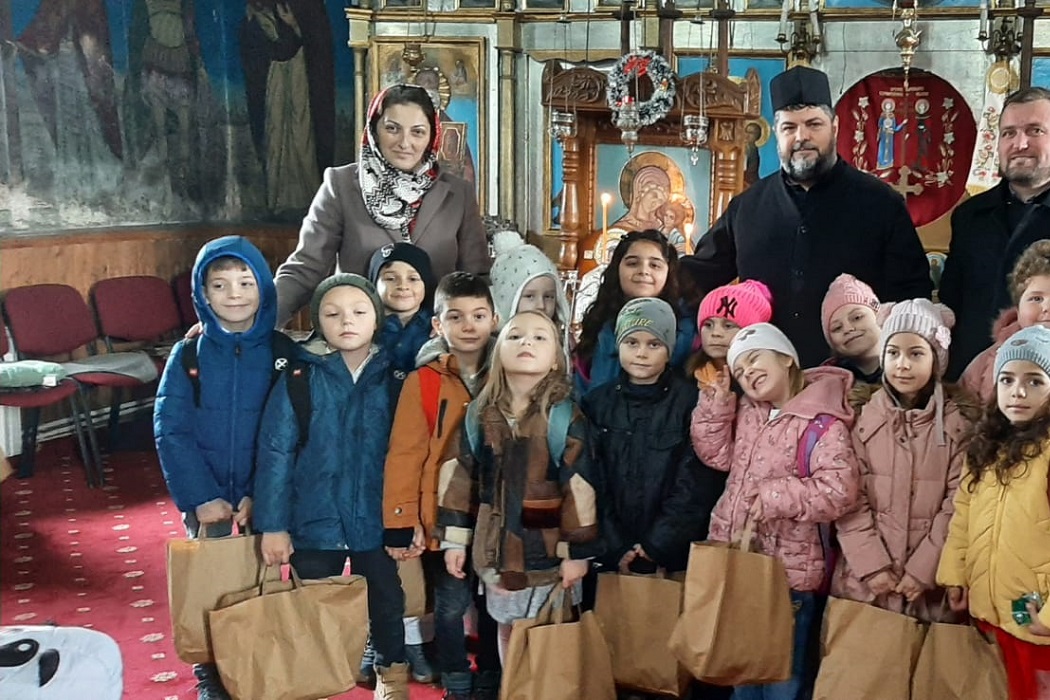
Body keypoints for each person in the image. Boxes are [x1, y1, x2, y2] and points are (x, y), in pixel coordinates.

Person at [681, 65, 932, 369]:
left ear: (835, 127)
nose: (802, 137)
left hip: (856, 379)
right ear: (776, 133)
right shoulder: (747, 207)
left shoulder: (882, 204)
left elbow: (911, 295)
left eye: (814, 124)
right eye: (789, 127)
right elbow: (700, 274)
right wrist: (646, 273)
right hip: (763, 377)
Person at [253, 274, 410, 699]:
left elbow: (410, 455)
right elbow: (276, 452)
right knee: (311, 600)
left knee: (385, 598)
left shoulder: (396, 377)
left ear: (376, 318)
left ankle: (391, 672)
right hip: (314, 516)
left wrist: (407, 519)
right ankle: (313, 678)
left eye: (359, 311)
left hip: (374, 518)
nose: (346, 321)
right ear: (317, 320)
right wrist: (273, 525)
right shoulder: (299, 376)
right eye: (333, 313)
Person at [691, 323, 860, 700]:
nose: (748, 372)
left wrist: (775, 496)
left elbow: (841, 490)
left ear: (786, 358)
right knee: (743, 674)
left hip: (788, 577)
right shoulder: (749, 412)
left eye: (755, 358)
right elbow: (716, 455)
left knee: (783, 681)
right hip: (738, 563)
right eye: (740, 370)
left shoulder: (822, 422)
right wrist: (717, 403)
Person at [437, 311, 601, 663]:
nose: (527, 341)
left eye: (540, 337)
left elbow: (580, 489)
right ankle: (512, 686)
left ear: (556, 358)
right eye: (515, 336)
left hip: (548, 553)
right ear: (498, 351)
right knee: (508, 631)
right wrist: (455, 539)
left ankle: (543, 688)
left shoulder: (564, 416)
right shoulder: (480, 413)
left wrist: (577, 553)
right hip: (496, 549)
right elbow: (459, 477)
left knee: (550, 636)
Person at [154, 235, 278, 700]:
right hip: (206, 496)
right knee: (212, 580)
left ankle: (253, 658)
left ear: (264, 287)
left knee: (261, 577)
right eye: (220, 285)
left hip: (261, 493)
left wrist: (261, 492)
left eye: (246, 282)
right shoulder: (188, 354)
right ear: (202, 294)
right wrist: (200, 497)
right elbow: (171, 430)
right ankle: (209, 668)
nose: (234, 294)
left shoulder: (283, 354)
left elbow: (288, 431)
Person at [272, 83, 491, 326]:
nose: (404, 143)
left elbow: (475, 280)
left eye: (417, 132)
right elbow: (305, 270)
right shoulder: (341, 186)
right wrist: (260, 323)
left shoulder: (458, 193)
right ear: (374, 130)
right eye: (392, 129)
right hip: (357, 336)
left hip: (435, 337)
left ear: (433, 136)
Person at [382, 272, 502, 700]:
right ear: (437, 324)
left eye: (478, 316)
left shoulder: (507, 373)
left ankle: (491, 672)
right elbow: (405, 453)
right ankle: (455, 675)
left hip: (494, 512)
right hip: (441, 515)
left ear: (495, 319)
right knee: (450, 604)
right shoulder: (425, 380)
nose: (468, 326)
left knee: (493, 601)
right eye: (456, 316)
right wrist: (403, 517)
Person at [833, 299, 977, 623]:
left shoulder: (957, 427)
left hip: (928, 591)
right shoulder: (862, 418)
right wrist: (871, 565)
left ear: (936, 360)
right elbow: (848, 498)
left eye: (916, 354)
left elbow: (958, 504)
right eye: (893, 352)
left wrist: (923, 570)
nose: (902, 364)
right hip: (863, 585)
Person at [937, 324, 1050, 700]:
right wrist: (957, 574)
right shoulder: (986, 446)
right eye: (1007, 379)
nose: (1017, 391)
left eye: (1035, 381)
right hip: (996, 614)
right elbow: (963, 516)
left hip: (1039, 622)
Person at [941, 87, 1050, 381]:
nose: (1020, 143)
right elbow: (952, 304)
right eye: (1009, 133)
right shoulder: (969, 216)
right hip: (969, 382)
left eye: (1035, 130)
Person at [574, 229, 696, 396]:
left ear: (669, 272)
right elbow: (582, 388)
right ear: (617, 269)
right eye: (632, 263)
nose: (643, 271)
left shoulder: (687, 330)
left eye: (654, 265)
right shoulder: (601, 322)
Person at [960, 239, 1050, 406]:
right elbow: (960, 409)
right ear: (1018, 308)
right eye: (1036, 299)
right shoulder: (987, 360)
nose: (1046, 308)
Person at [686, 279, 773, 392]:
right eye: (708, 325)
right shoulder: (688, 379)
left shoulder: (764, 383)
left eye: (728, 326)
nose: (716, 333)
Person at [488, 229, 571, 343]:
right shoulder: (493, 348)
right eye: (529, 296)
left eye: (548, 297)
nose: (541, 306)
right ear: (509, 300)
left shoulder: (559, 343)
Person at [369, 242, 437, 375]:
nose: (402, 286)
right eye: (390, 278)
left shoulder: (439, 327)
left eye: (413, 279)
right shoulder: (362, 325)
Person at [820, 274, 883, 386]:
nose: (848, 329)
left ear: (879, 315)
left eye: (857, 317)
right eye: (837, 328)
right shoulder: (824, 382)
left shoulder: (910, 365)